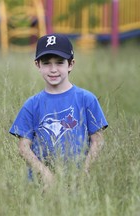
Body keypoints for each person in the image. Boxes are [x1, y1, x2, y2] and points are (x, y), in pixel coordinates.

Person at [9, 33, 108, 186]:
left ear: (71, 64)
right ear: (37, 65)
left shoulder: (86, 99)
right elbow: (23, 147)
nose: (53, 69)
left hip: (78, 182)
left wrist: (84, 172)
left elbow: (98, 140)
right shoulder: (32, 104)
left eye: (60, 62)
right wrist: (45, 173)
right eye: (47, 63)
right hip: (41, 184)